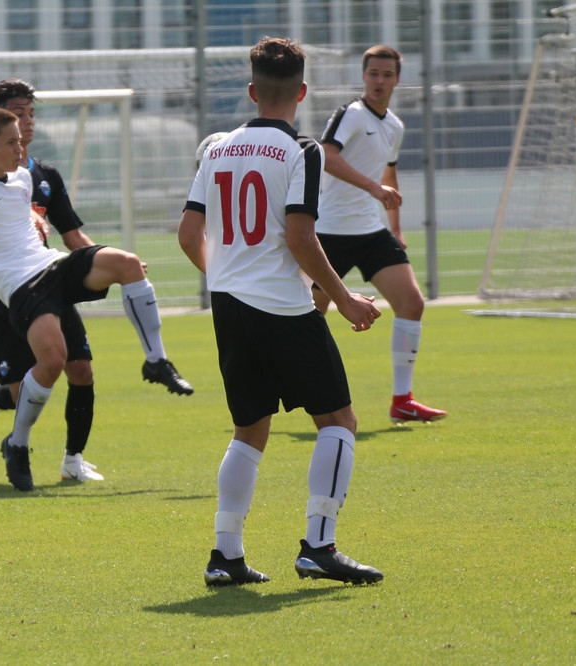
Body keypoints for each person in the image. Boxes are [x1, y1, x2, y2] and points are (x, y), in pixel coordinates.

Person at [178, 37, 384, 586]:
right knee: (338, 421)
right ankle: (320, 545)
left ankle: (225, 555)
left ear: (251, 91)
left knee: (249, 429)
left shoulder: (217, 147)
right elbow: (299, 235)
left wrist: (226, 276)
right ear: (303, 91)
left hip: (229, 305)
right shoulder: (303, 150)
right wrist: (345, 300)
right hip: (282, 307)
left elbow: (187, 234)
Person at [0, 106, 192, 491]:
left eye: (21, 140)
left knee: (127, 264)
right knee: (53, 361)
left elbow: (20, 216)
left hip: (51, 265)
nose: (20, 147)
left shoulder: (23, 177)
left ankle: (157, 361)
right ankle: (17, 444)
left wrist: (35, 219)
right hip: (21, 287)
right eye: (10, 142)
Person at [0, 78, 106, 483]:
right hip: (9, 294)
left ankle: (73, 460)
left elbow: (72, 235)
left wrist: (98, 261)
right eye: (18, 114)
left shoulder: (45, 175)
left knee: (80, 369)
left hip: (52, 281)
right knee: (20, 390)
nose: (27, 122)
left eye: (31, 113)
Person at [314, 45, 446, 425]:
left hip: (371, 232)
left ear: (398, 80)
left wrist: (396, 227)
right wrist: (374, 190)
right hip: (330, 231)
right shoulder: (351, 115)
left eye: (387, 75)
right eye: (374, 73)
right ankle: (288, 389)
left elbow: (389, 176)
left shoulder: (395, 126)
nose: (380, 81)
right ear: (364, 76)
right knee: (310, 318)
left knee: (411, 303)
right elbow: (327, 155)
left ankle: (403, 400)